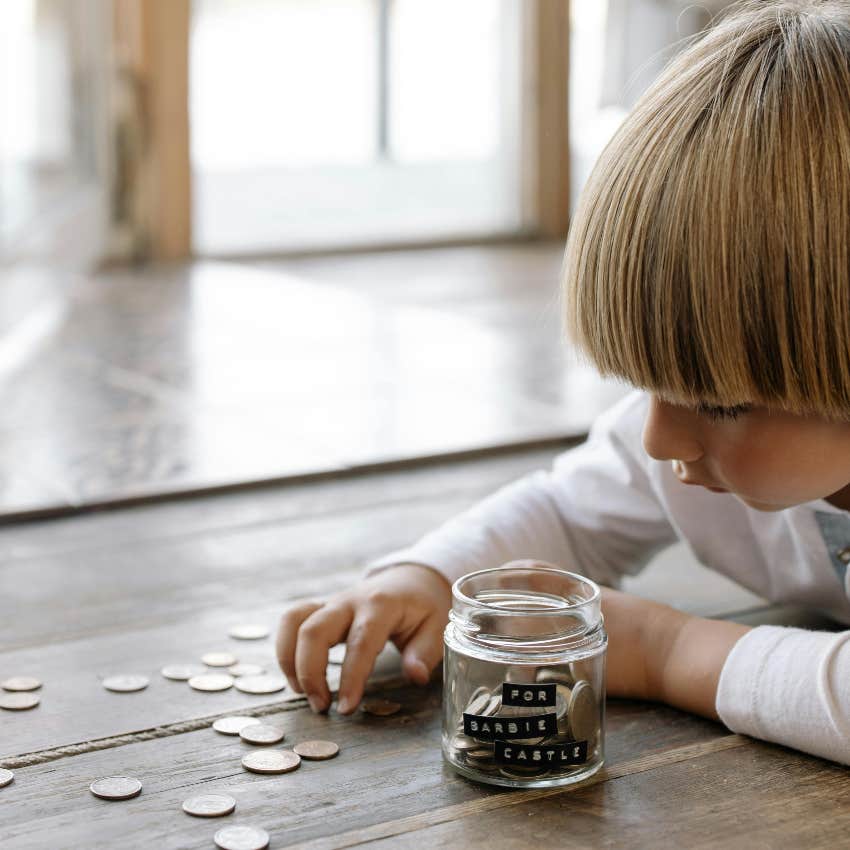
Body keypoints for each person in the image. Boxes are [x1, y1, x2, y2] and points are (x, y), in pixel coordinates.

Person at [277, 0, 850, 767]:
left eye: (716, 401)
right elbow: (566, 510)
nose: (658, 438)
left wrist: (668, 646)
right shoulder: (681, 448)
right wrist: (433, 575)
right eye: (645, 382)